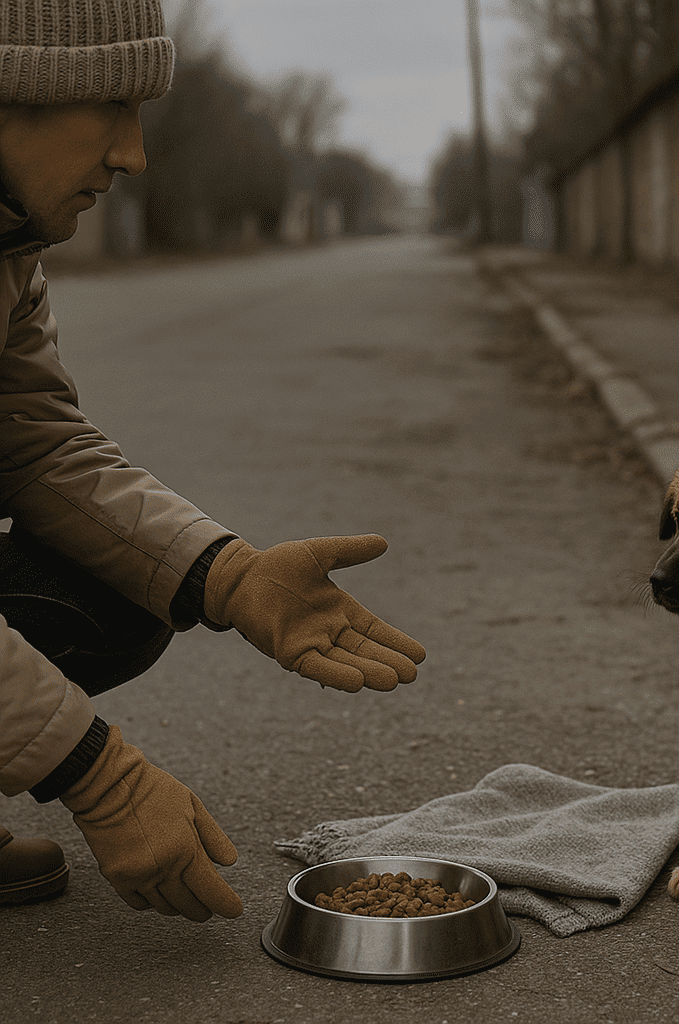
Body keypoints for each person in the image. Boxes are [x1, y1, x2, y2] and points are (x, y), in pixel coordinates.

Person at [0, 0, 426, 922]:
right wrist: (98, 775)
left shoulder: (8, 244)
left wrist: (227, 576)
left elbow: (36, 444)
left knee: (114, 597)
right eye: (110, 107)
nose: (133, 154)